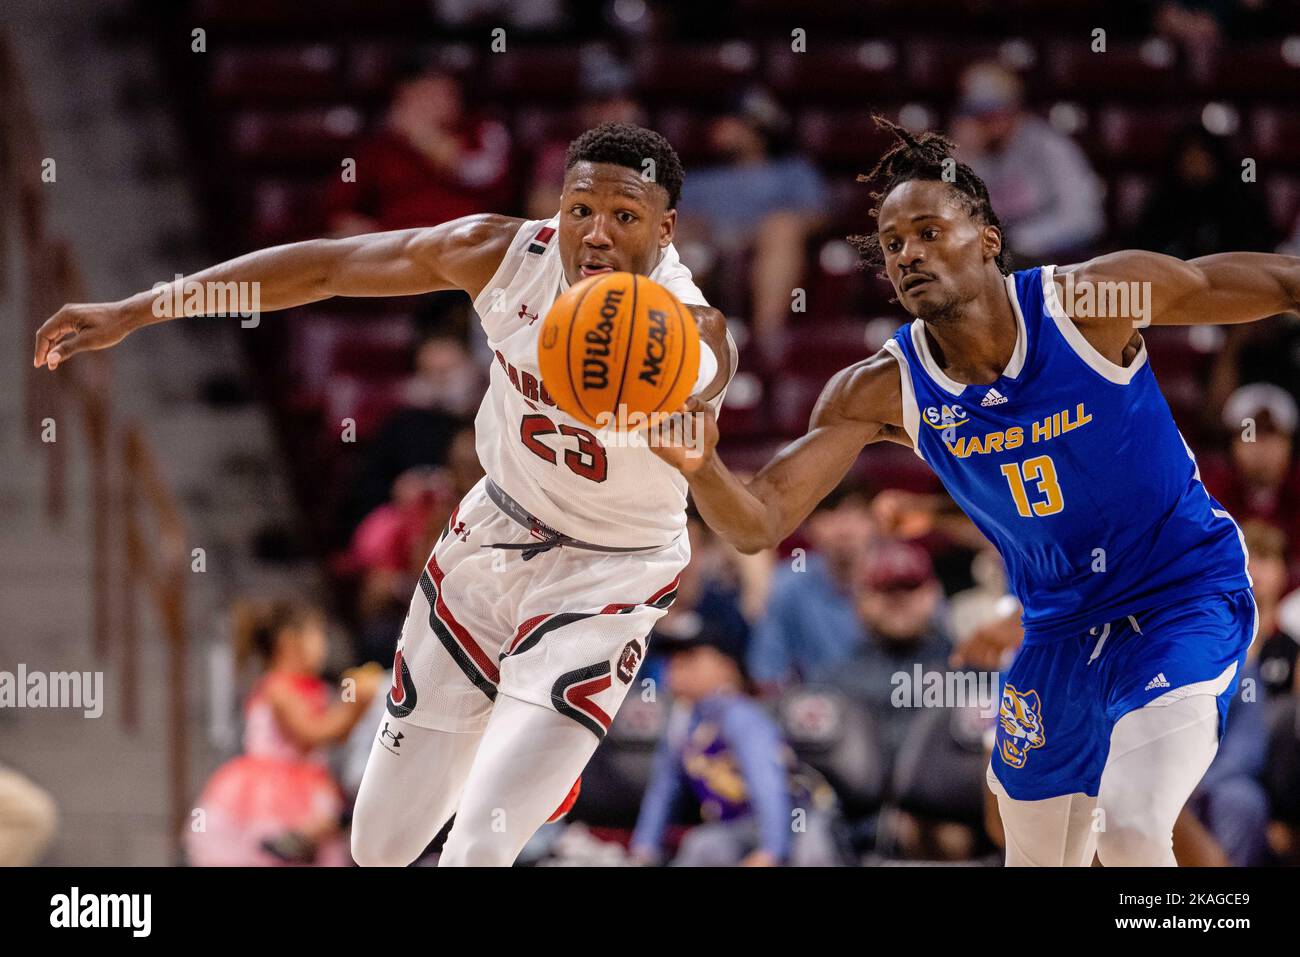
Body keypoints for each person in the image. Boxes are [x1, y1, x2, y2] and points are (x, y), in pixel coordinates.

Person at [36, 122, 736, 867]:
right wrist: (144, 306)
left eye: (624, 218)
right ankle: (514, 744)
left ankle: (533, 748)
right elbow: (328, 269)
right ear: (556, 208)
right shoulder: (503, 256)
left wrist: (688, 405)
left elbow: (711, 373)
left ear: (664, 229)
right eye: (579, 210)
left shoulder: (687, 329)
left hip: (609, 574)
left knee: (479, 846)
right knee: (377, 845)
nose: (595, 234)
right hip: (494, 537)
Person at [652, 115, 1300, 867]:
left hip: (1182, 594)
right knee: (1034, 855)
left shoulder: (1092, 303)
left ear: (989, 238)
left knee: (1131, 824)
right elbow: (760, 520)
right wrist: (703, 467)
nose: (909, 254)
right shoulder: (882, 388)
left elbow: (1279, 283)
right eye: (894, 246)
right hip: (1058, 630)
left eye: (930, 231)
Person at [185, 601, 380, 867]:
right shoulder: (278, 688)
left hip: (310, 785)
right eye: (317, 635)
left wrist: (357, 710)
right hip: (274, 790)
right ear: (289, 642)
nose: (323, 645)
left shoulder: (314, 687)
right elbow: (311, 733)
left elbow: (334, 734)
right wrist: (354, 705)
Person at [629, 630, 842, 867]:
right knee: (701, 847)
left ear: (726, 666)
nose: (677, 668)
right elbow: (663, 790)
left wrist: (771, 852)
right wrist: (643, 848)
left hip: (798, 815)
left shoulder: (740, 715)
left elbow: (767, 784)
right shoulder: (683, 721)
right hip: (741, 824)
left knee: (811, 855)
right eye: (673, 661)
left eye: (690, 658)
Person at [951, 63, 1104, 262]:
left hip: (1053, 262)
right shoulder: (968, 153)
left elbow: (1086, 219)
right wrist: (961, 160)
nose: (988, 123)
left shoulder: (1048, 146)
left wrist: (1021, 240)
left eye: (995, 112)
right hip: (996, 262)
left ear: (1015, 108)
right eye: (978, 115)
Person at [746, 480, 874, 689]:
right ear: (809, 526)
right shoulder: (787, 584)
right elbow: (767, 674)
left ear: (874, 523)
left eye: (854, 513)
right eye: (830, 514)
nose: (844, 529)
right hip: (813, 709)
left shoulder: (903, 575)